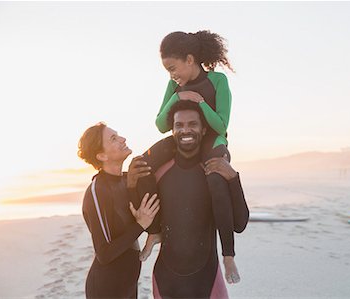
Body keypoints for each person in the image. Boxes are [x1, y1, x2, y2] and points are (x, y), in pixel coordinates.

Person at [138, 30, 248, 283]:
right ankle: (154, 232)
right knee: (141, 164)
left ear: (190, 59)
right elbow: (161, 124)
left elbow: (221, 125)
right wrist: (177, 96)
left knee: (215, 178)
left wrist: (199, 102)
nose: (171, 74)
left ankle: (228, 255)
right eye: (167, 70)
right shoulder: (174, 86)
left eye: (173, 67)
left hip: (212, 140)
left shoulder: (218, 81)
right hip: (182, 138)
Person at [151, 100, 247, 298]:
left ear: (203, 130)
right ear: (172, 131)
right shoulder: (160, 173)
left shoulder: (214, 172)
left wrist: (233, 179)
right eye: (179, 125)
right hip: (166, 280)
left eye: (192, 124)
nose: (185, 130)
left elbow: (239, 223)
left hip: (207, 280)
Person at [78, 122, 160, 299]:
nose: (123, 139)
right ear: (101, 155)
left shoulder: (126, 180)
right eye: (113, 139)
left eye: (118, 135)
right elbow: (104, 254)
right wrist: (141, 225)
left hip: (129, 286)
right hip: (106, 289)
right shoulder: (97, 190)